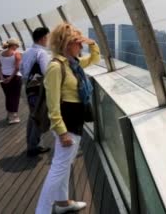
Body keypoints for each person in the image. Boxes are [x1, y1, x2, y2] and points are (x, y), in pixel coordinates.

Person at [36, 24, 99, 214]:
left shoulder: (73, 64)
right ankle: (42, 211)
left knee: (64, 166)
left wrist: (92, 43)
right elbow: (53, 106)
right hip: (67, 124)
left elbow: (95, 58)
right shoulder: (56, 67)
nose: (81, 47)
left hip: (75, 121)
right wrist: (62, 133)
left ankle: (63, 203)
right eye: (78, 43)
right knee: (58, 169)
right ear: (67, 43)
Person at [20, 27, 51, 157]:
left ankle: (31, 144)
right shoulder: (42, 53)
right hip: (39, 89)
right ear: (43, 38)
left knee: (33, 115)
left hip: (28, 87)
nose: (48, 40)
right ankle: (33, 147)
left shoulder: (27, 52)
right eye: (47, 37)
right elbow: (46, 72)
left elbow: (21, 69)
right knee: (39, 116)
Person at [0, 38, 22, 124]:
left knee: (8, 96)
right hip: (14, 78)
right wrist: (10, 78)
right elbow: (17, 68)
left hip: (3, 78)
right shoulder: (16, 54)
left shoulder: (0, 53)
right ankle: (13, 117)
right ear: (13, 45)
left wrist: (1, 77)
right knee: (15, 96)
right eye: (17, 45)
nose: (17, 47)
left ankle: (9, 114)